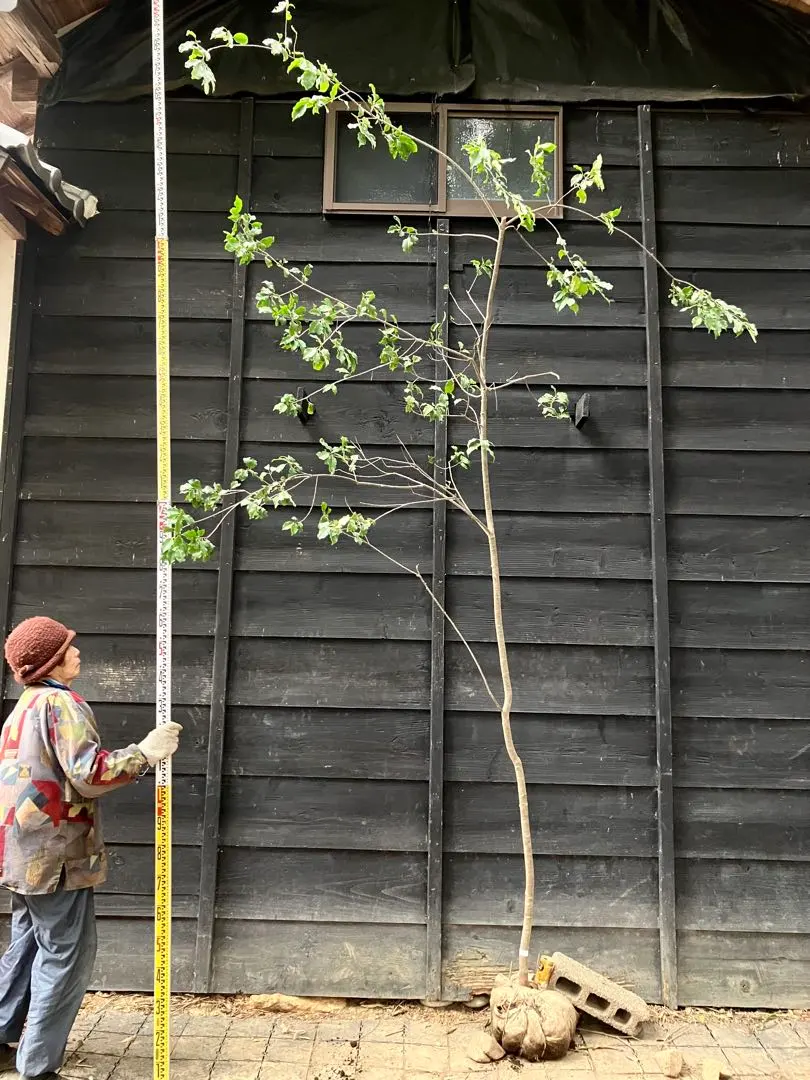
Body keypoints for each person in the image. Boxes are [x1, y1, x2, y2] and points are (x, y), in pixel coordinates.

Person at [0, 616, 182, 1080]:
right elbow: (89, 774)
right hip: (57, 855)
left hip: (22, 852)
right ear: (51, 661)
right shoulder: (61, 704)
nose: (77, 652)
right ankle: (38, 1068)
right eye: (68, 647)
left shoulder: (24, 705)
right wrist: (146, 753)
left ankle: (0, 1039)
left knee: (27, 945)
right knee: (66, 955)